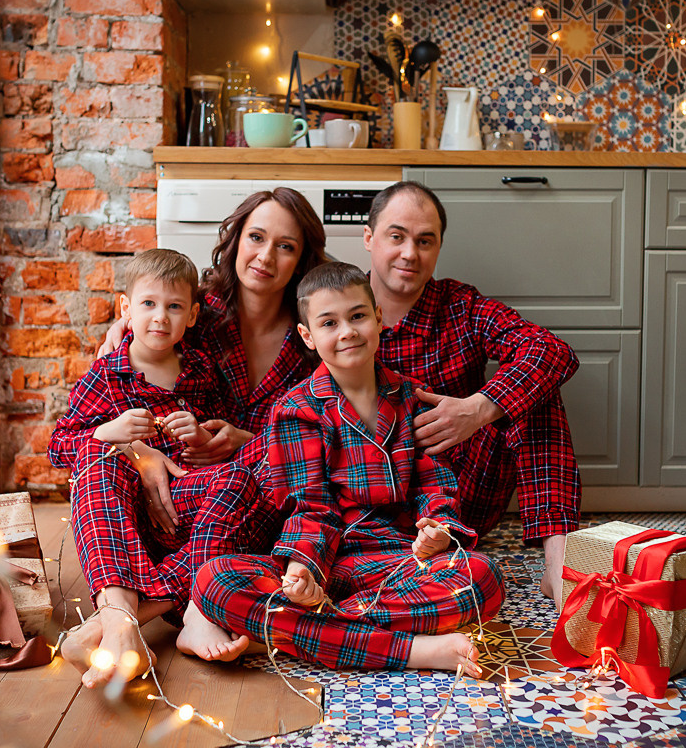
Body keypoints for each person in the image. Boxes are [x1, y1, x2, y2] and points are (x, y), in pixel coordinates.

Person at [59, 189, 327, 686]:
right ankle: (137, 614)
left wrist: (239, 439)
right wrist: (139, 451)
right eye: (256, 237)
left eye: (286, 246)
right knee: (98, 463)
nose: (266, 256)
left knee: (284, 467)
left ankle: (125, 621)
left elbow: (320, 436)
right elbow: (148, 314)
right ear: (236, 240)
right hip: (153, 508)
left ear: (302, 259)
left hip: (234, 507)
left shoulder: (316, 329)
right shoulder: (197, 310)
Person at [193, 262, 504, 674]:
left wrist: (438, 528)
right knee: (215, 580)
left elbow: (435, 481)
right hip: (329, 561)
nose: (347, 331)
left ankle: (291, 634)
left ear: (377, 318)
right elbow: (310, 508)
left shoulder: (412, 397)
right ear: (308, 336)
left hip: (399, 562)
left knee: (483, 577)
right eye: (329, 322)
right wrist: (304, 570)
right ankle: (415, 652)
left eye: (357, 316)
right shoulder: (295, 410)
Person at [363, 181, 581, 602]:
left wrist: (478, 409)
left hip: (464, 492)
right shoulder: (339, 308)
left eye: (425, 241)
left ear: (439, 248)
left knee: (534, 388)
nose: (410, 253)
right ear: (369, 237)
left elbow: (553, 351)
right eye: (396, 236)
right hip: (374, 496)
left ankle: (559, 565)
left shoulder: (460, 305)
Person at [48, 248, 230, 684]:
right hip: (122, 520)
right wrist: (110, 432)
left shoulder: (201, 371)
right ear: (126, 308)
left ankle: (107, 627)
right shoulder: (106, 376)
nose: (160, 318)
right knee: (96, 456)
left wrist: (201, 434)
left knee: (242, 482)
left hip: (186, 512)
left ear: (192, 315)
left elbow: (224, 445)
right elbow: (59, 446)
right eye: (147, 304)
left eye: (173, 307)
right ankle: (121, 621)